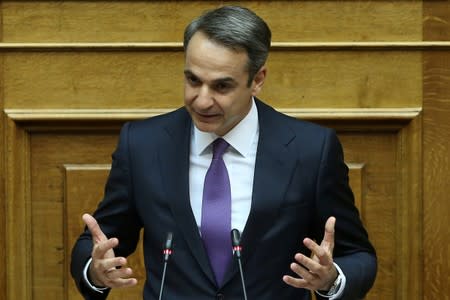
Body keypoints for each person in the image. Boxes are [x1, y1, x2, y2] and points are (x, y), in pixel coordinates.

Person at [71, 5, 377, 300]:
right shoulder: (142, 144)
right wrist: (95, 271)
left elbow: (358, 255)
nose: (202, 101)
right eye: (193, 80)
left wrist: (332, 279)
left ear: (257, 80)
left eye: (221, 87)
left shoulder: (311, 150)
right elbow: (98, 241)